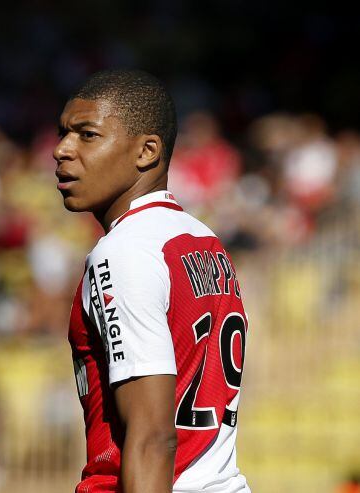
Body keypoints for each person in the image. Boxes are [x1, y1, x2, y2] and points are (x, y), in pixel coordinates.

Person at [55, 69, 250, 492]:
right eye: (63, 133)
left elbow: (151, 436)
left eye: (87, 135)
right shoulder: (202, 238)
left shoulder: (125, 251)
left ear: (146, 151)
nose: (61, 150)